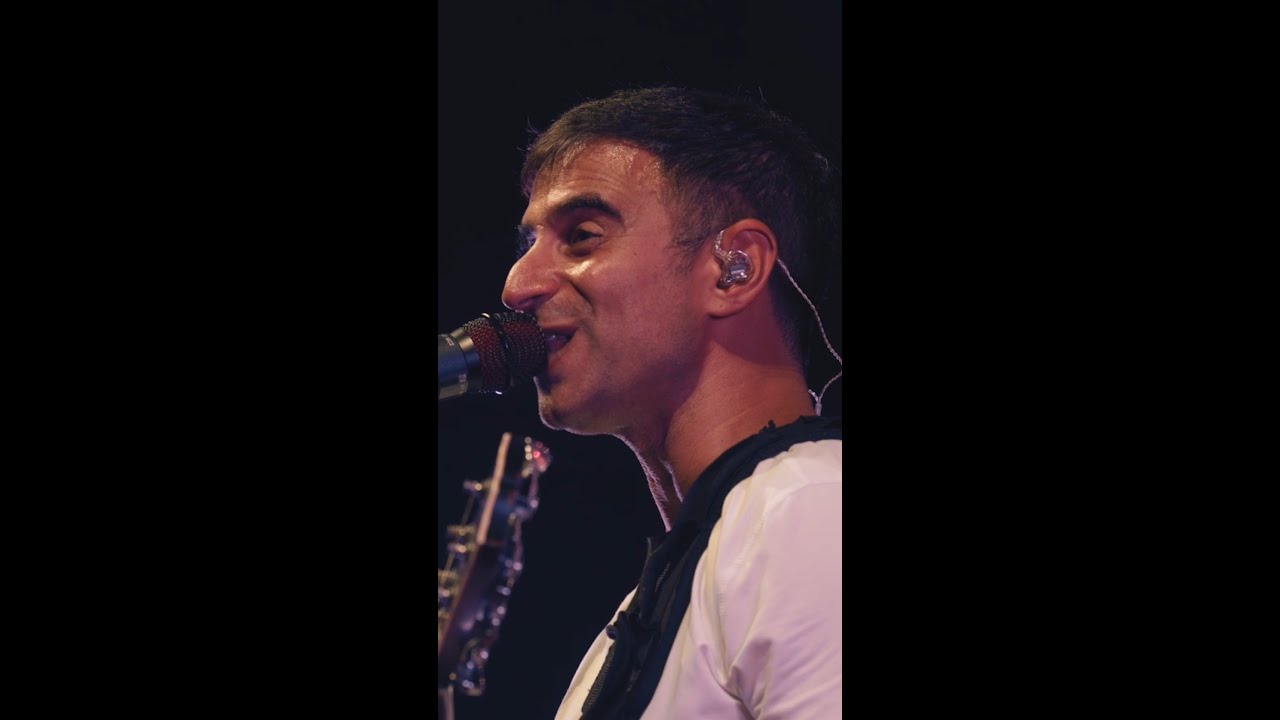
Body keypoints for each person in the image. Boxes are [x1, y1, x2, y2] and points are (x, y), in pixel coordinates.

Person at [502, 87, 842, 719]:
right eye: (528, 244)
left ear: (734, 268)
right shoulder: (638, 616)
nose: (517, 285)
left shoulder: (811, 509)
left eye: (581, 237)